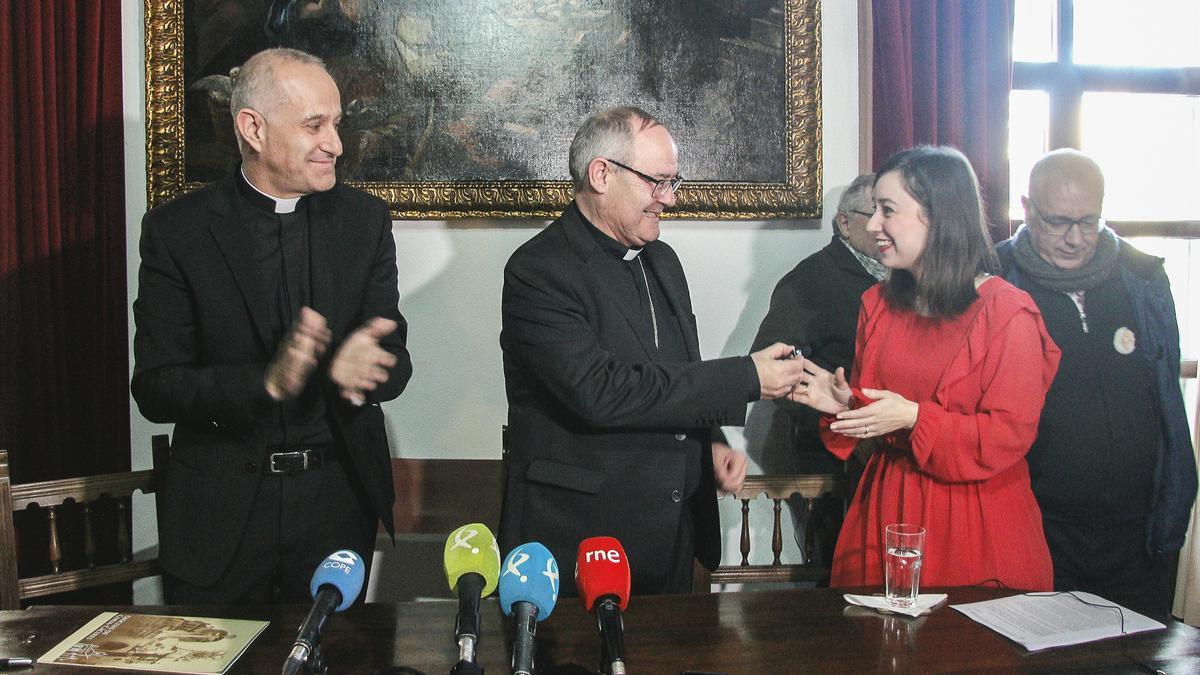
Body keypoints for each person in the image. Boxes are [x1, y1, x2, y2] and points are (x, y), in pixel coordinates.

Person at [131, 48, 412, 603]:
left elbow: (396, 363)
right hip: (221, 515)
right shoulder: (177, 232)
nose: (335, 143)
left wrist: (368, 369)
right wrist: (264, 383)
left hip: (335, 508)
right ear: (253, 129)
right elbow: (156, 388)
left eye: (337, 123)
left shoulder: (364, 222)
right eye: (314, 125)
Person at [499, 106, 806, 595]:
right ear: (601, 174)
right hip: (582, 533)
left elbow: (677, 371)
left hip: (672, 531)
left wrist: (710, 441)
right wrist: (747, 378)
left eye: (672, 182)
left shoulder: (662, 260)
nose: (668, 198)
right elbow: (600, 391)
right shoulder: (539, 270)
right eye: (656, 182)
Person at [793, 146, 1060, 590]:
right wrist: (846, 406)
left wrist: (916, 418)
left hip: (973, 522)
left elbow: (1006, 437)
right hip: (886, 513)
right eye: (874, 209)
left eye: (887, 210)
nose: (873, 224)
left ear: (937, 216)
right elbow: (881, 418)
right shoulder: (876, 304)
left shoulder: (1009, 314)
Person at [997, 149, 1197, 616]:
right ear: (1027, 209)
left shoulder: (1142, 278)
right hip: (1038, 530)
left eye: (1088, 222)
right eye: (1057, 222)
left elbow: (1167, 401)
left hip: (1135, 534)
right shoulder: (995, 281)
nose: (1074, 239)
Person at [751, 173, 882, 564]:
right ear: (844, 222)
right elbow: (771, 362)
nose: (883, 227)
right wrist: (836, 422)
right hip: (831, 465)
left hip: (889, 452)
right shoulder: (811, 279)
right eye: (876, 214)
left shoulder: (907, 276)